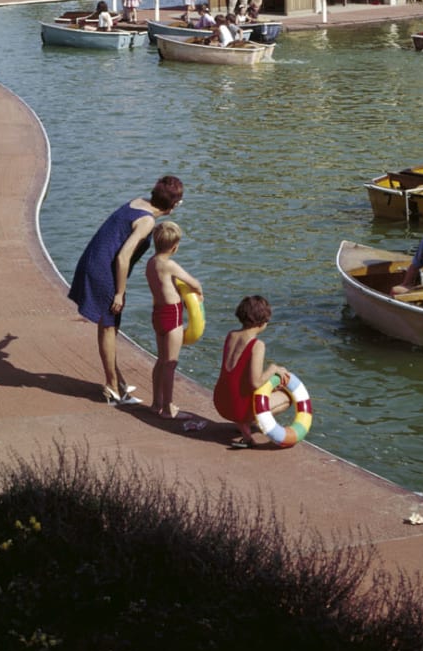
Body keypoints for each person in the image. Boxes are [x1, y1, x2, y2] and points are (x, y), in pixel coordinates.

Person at [67, 175, 184, 405]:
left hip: (93, 260)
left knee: (109, 325)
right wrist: (120, 292)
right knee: (109, 326)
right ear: (173, 206)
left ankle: (117, 381)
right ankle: (112, 387)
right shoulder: (148, 221)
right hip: (106, 271)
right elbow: (122, 257)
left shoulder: (138, 201)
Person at [213, 294, 293, 448]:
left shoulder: (231, 335)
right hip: (237, 408)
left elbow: (238, 377)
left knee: (252, 388)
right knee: (287, 397)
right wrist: (273, 368)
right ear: (262, 321)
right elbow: (255, 383)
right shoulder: (257, 345)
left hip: (221, 402)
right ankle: (245, 421)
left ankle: (243, 426)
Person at [144, 219, 204, 420]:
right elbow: (194, 282)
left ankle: (156, 403)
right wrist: (199, 295)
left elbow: (163, 286)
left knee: (160, 361)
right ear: (175, 247)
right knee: (171, 363)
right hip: (173, 314)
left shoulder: (151, 263)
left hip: (157, 314)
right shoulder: (170, 265)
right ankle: (169, 407)